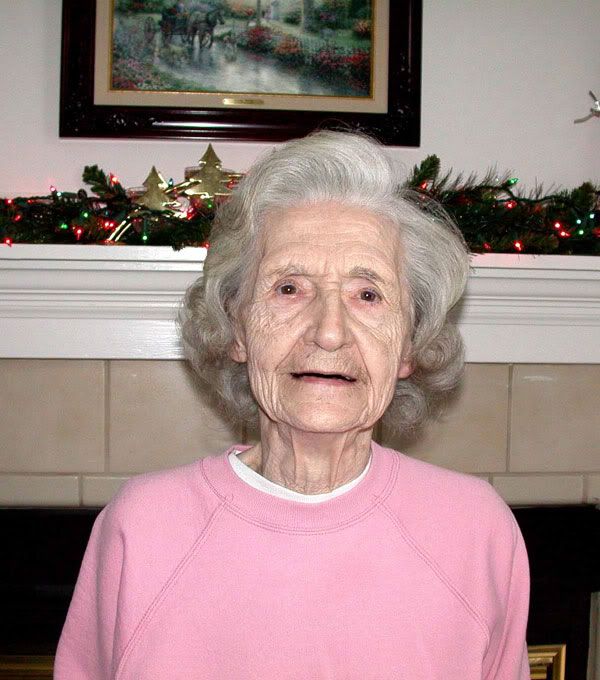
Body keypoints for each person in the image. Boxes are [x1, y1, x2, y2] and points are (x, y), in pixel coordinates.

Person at [55, 131, 530, 679]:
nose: (329, 332)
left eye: (368, 294)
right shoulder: (141, 528)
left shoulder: (476, 531)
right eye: (289, 288)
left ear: (408, 346)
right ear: (237, 329)